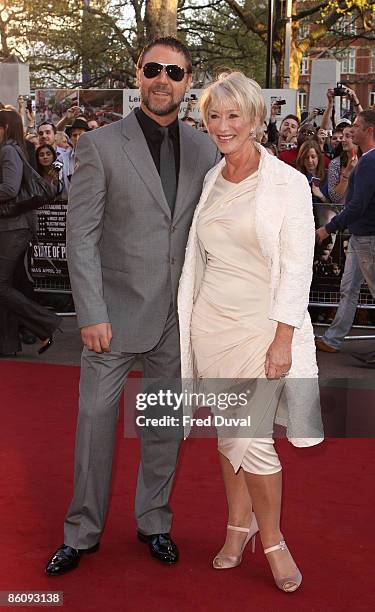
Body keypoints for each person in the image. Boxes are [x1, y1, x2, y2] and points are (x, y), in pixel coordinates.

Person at [45, 36, 220, 576]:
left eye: (174, 71)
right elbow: (82, 237)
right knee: (96, 424)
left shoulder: (205, 148)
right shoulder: (100, 145)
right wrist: (91, 311)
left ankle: (155, 521)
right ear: (138, 75)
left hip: (177, 317)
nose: (162, 78)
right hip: (113, 316)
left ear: (188, 82)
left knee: (164, 425)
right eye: (153, 69)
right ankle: (82, 531)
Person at [178, 72, 323, 592]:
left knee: (252, 440)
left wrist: (284, 337)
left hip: (261, 330)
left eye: (234, 115)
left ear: (257, 120)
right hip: (210, 326)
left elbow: (297, 268)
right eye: (214, 115)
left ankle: (273, 541)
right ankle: (236, 529)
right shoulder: (210, 182)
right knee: (230, 435)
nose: (222, 126)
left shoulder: (286, 183)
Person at [0, 109, 62, 356]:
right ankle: (8, 344)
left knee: (2, 287)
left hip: (13, 228)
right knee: (8, 285)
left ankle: (46, 323)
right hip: (13, 227)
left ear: (4, 127)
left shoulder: (8, 150)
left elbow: (9, 189)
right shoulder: (15, 149)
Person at [315, 109, 375, 363]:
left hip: (367, 237)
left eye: (358, 126)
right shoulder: (364, 160)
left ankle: (333, 338)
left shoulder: (369, 162)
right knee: (348, 288)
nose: (352, 130)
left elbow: (357, 204)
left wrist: (327, 228)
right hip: (362, 236)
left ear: (369, 130)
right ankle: (333, 338)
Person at [327, 125, 359, 204]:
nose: (343, 140)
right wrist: (347, 173)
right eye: (343, 136)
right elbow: (334, 197)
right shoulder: (335, 163)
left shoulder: (367, 159)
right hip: (342, 210)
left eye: (347, 136)